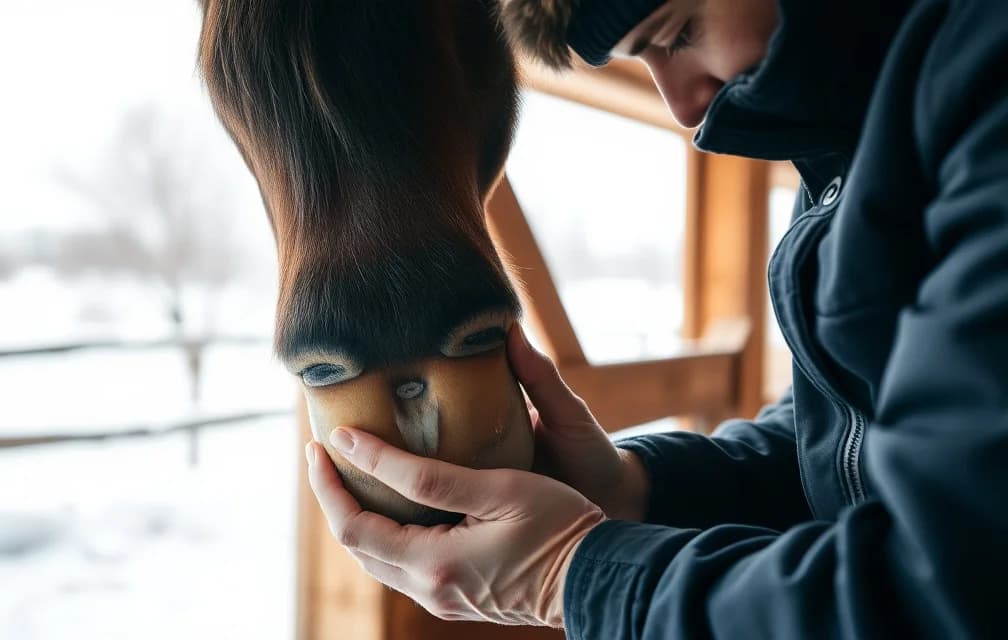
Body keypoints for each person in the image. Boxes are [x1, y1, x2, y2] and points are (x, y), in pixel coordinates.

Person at [305, 0, 1008, 636]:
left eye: (677, 33)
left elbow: (946, 591)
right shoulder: (860, 137)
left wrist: (570, 576)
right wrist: (633, 486)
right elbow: (845, 441)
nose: (681, 105)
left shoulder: (985, 77)